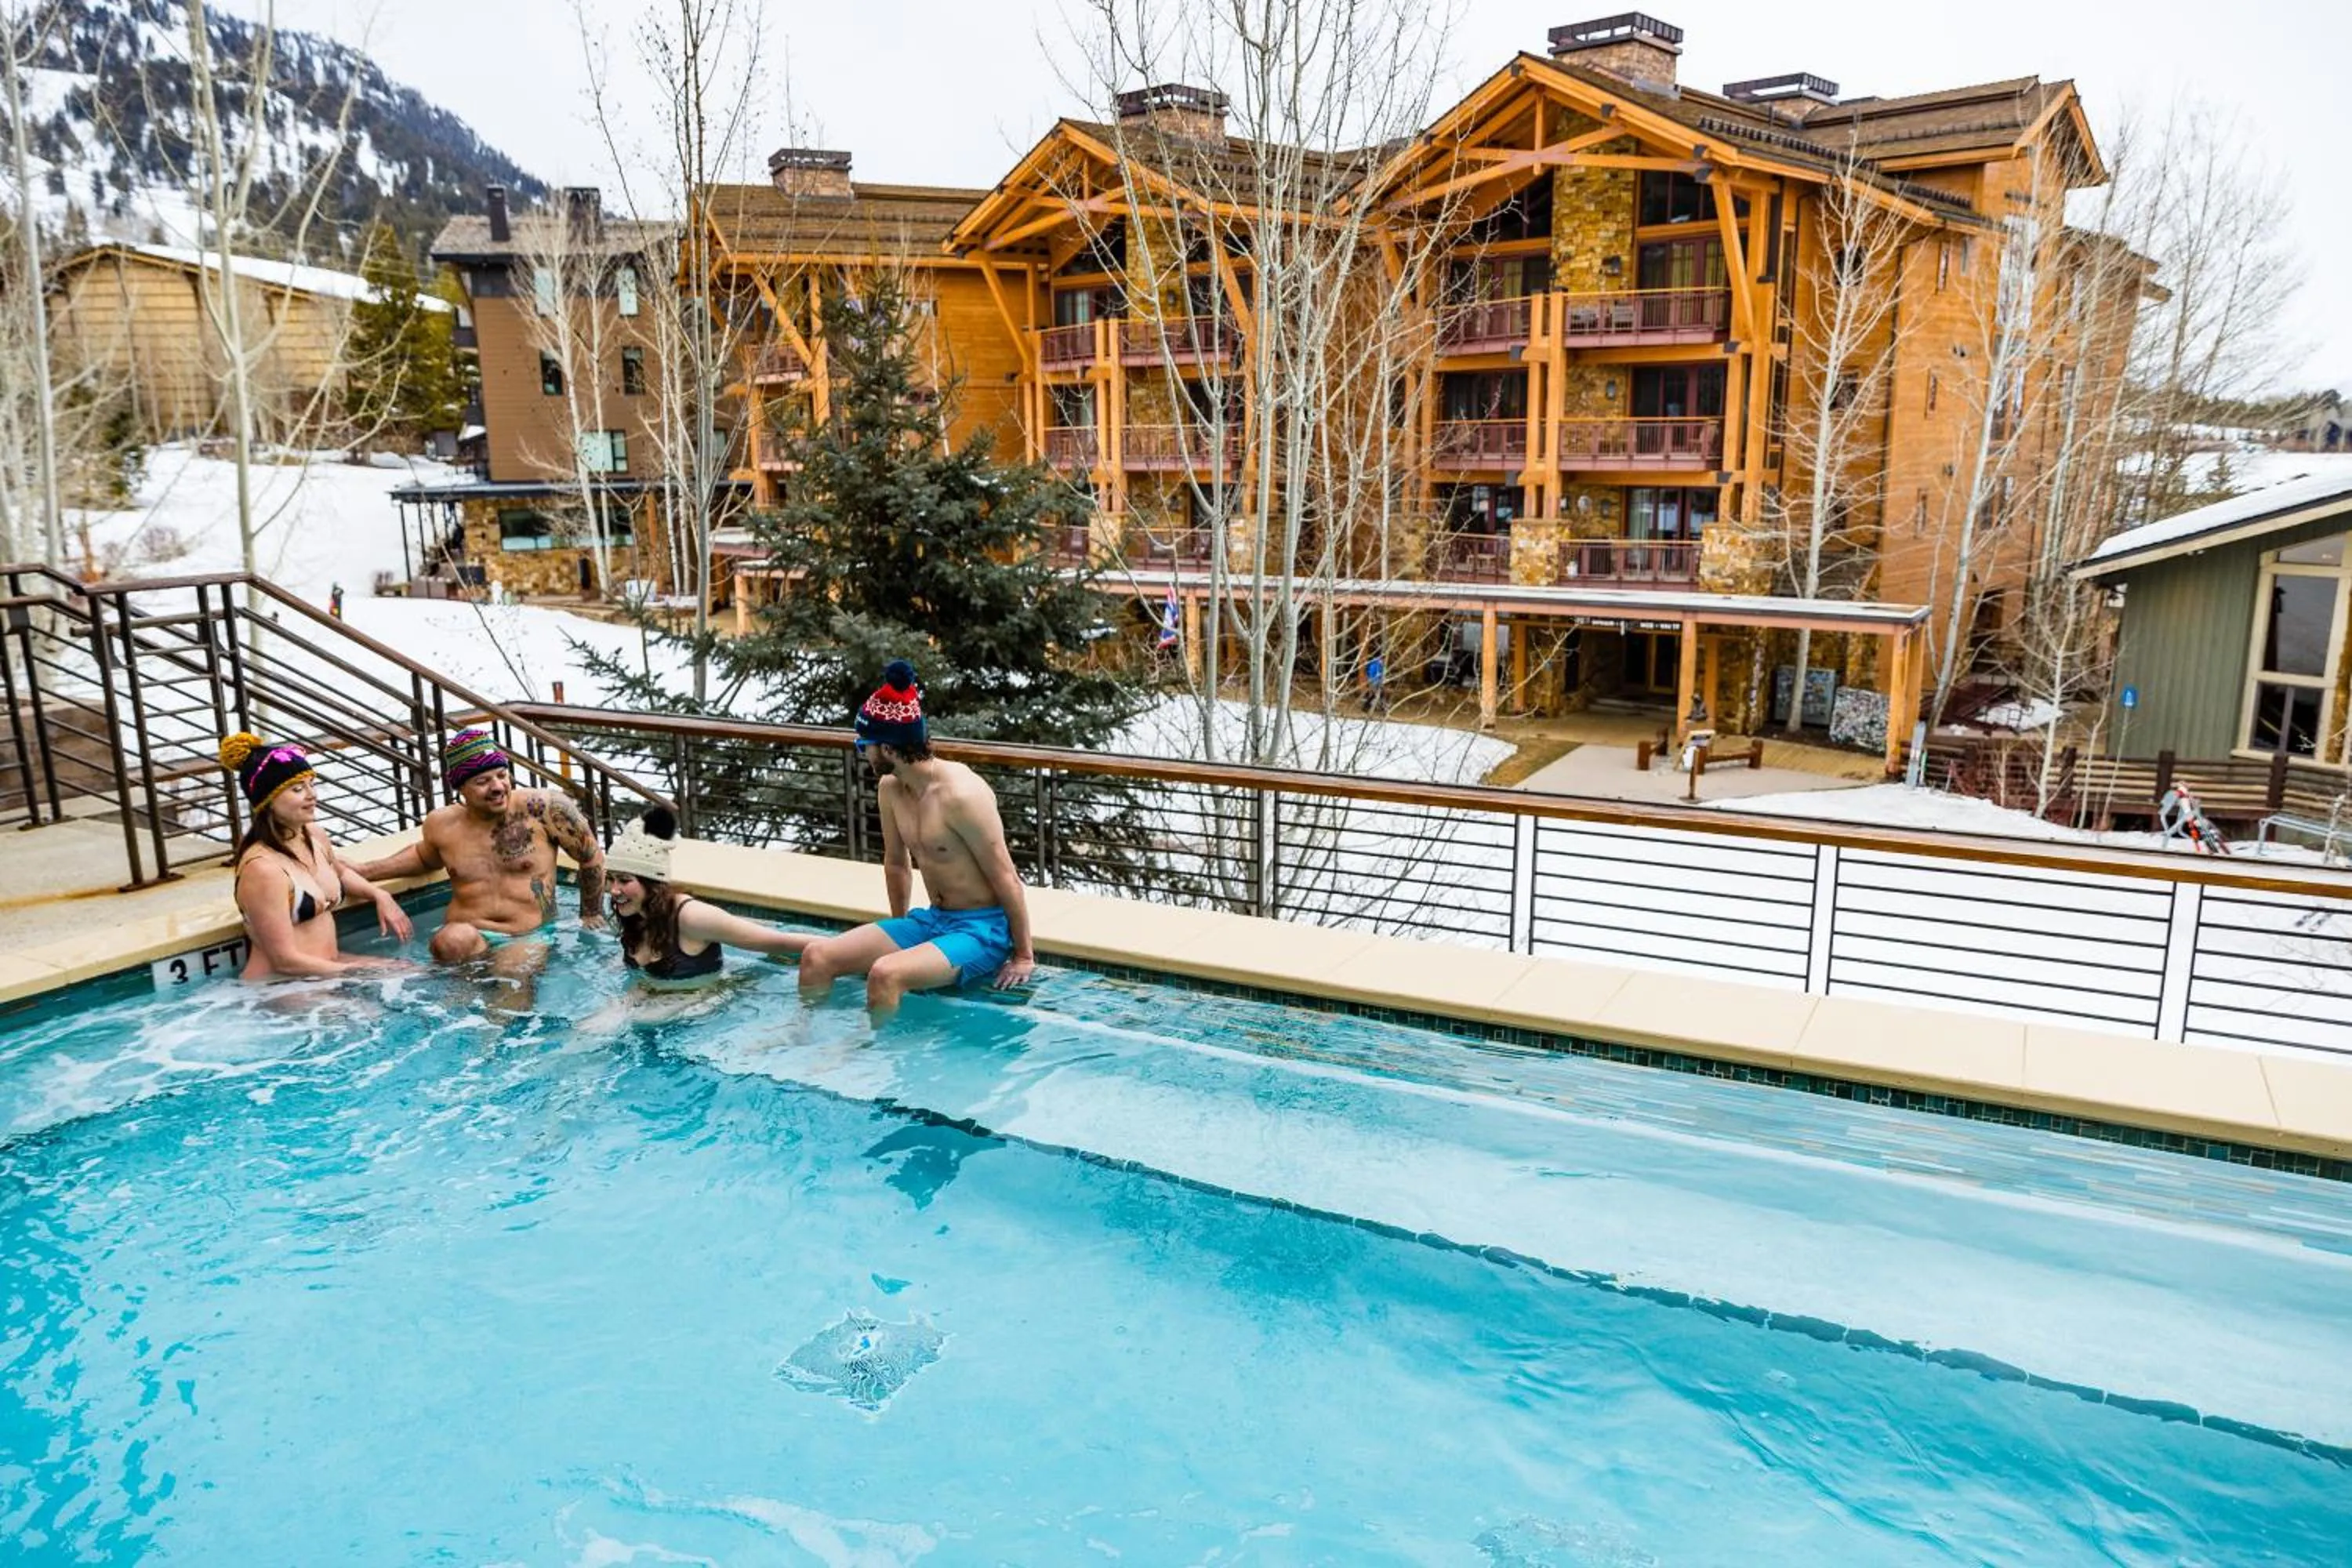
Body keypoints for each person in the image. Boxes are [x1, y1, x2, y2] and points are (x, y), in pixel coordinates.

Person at [797, 661, 1037, 1016]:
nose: (862, 752)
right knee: (816, 956)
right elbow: (896, 864)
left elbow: (1007, 878)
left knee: (885, 974)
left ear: (890, 749)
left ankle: (876, 1061)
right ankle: (802, 1043)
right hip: (933, 920)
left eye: (865, 744)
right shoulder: (891, 788)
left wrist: (1023, 956)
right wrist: (901, 932)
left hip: (981, 930)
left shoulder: (962, 795)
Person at [350, 728, 607, 964]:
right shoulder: (442, 824)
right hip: (468, 930)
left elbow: (590, 856)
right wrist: (364, 871)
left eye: (502, 776)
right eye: (483, 782)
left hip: (527, 934)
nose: (497, 787)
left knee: (510, 978)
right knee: (447, 944)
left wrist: (591, 914)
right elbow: (425, 858)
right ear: (461, 787)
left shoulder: (544, 809)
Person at [218, 732, 413, 982]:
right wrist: (360, 973)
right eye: (298, 789)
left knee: (417, 975)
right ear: (267, 801)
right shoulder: (262, 869)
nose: (312, 795)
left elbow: (340, 873)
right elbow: (284, 960)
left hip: (327, 970)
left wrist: (379, 895)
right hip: (283, 985)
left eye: (312, 784)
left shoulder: (313, 835)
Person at [605, 805, 815, 982]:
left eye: (624, 880)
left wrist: (836, 951)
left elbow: (777, 941)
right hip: (657, 1008)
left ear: (652, 884)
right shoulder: (634, 914)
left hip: (706, 1008)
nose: (614, 890)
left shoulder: (693, 917)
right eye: (611, 878)